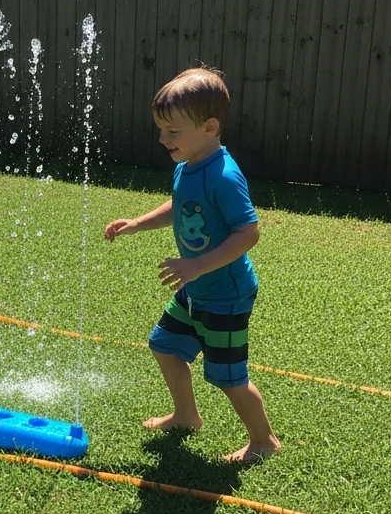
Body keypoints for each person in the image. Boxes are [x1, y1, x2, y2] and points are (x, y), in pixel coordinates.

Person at [104, 67, 280, 463]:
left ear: (209, 126)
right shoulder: (187, 165)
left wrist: (198, 265)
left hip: (225, 294)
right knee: (165, 345)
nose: (163, 139)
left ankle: (264, 441)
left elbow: (248, 233)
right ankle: (186, 415)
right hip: (196, 287)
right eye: (161, 130)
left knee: (229, 378)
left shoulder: (224, 176)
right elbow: (180, 206)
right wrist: (138, 224)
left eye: (172, 131)